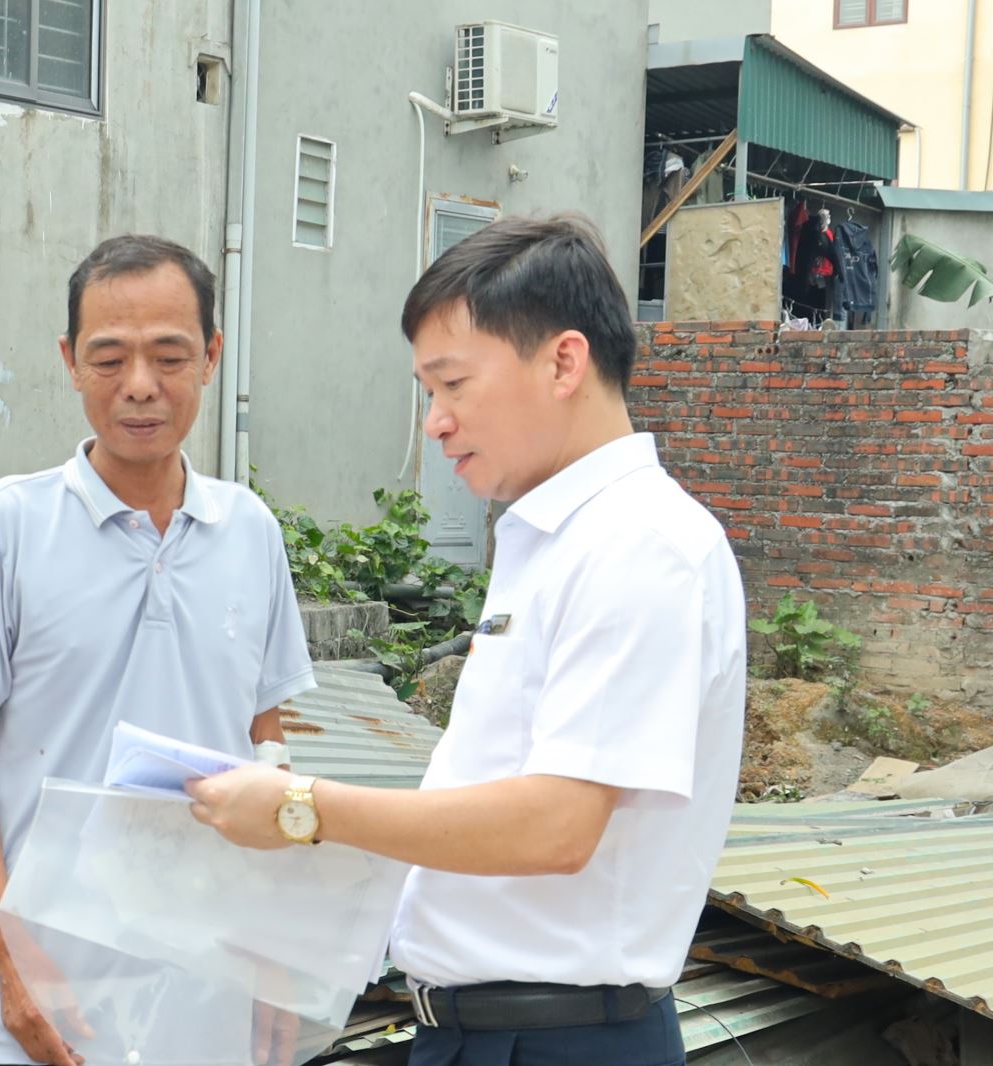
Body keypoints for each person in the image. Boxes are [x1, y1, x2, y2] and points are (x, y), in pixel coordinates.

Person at [188, 214, 747, 1066]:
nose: (436, 423)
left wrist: (305, 809)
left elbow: (556, 826)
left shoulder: (640, 547)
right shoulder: (556, 541)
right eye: (429, 393)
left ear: (563, 363)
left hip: (561, 1041)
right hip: (487, 1031)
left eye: (452, 385)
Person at [0, 234, 317, 1066]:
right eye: (109, 358)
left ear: (211, 356)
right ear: (70, 361)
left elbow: (267, 744)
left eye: (169, 356)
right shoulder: (10, 526)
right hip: (25, 1020)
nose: (140, 385)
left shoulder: (250, 531)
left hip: (200, 1010)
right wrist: (11, 960)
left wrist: (274, 948)